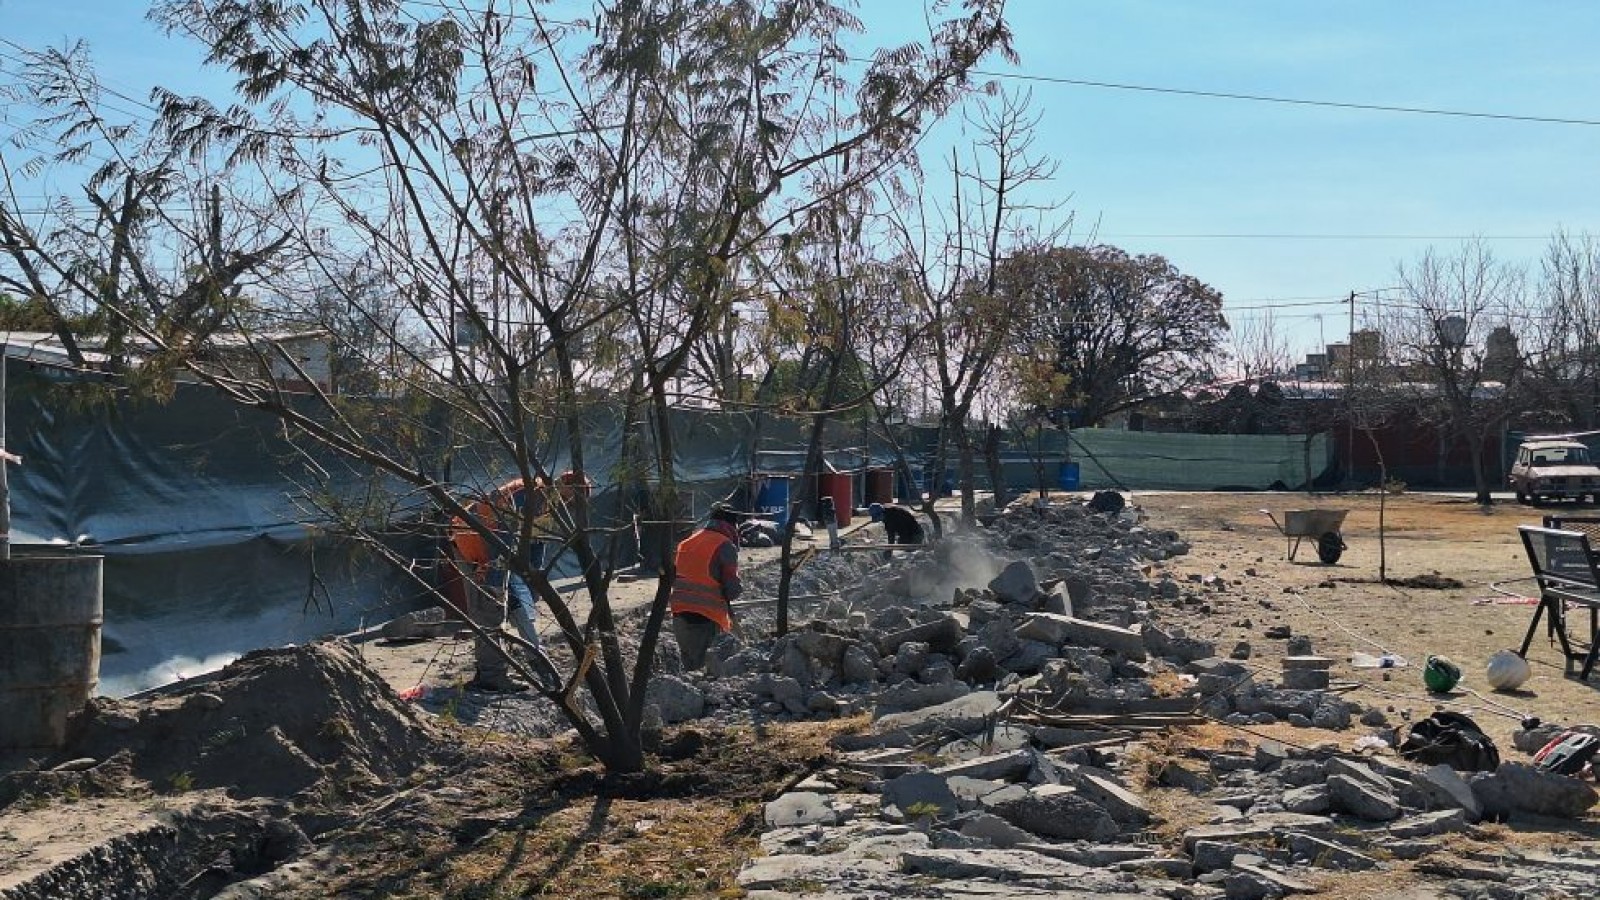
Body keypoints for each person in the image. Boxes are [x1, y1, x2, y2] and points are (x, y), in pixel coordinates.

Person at [449, 476, 555, 691]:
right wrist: (497, 588)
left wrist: (532, 587)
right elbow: (497, 543)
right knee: (490, 612)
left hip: (498, 552)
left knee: (513, 607)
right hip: (474, 547)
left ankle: (524, 665)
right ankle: (491, 679)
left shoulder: (546, 503)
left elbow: (536, 544)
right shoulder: (522, 497)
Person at [669, 503, 743, 670]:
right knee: (705, 672)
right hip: (706, 618)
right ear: (732, 524)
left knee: (690, 668)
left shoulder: (686, 542)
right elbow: (732, 590)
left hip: (679, 613)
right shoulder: (724, 546)